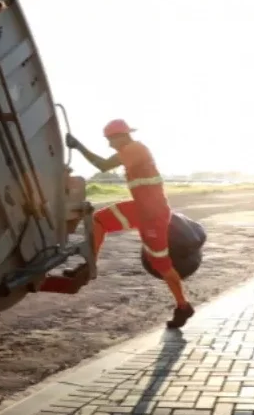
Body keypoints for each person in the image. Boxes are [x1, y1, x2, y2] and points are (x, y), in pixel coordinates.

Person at [65, 119, 194, 329]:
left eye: (110, 140)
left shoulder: (135, 149)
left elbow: (103, 165)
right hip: (140, 209)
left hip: (153, 215)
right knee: (99, 220)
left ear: (122, 136)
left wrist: (78, 146)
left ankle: (183, 306)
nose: (109, 145)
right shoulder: (132, 150)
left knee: (160, 264)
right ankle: (89, 266)